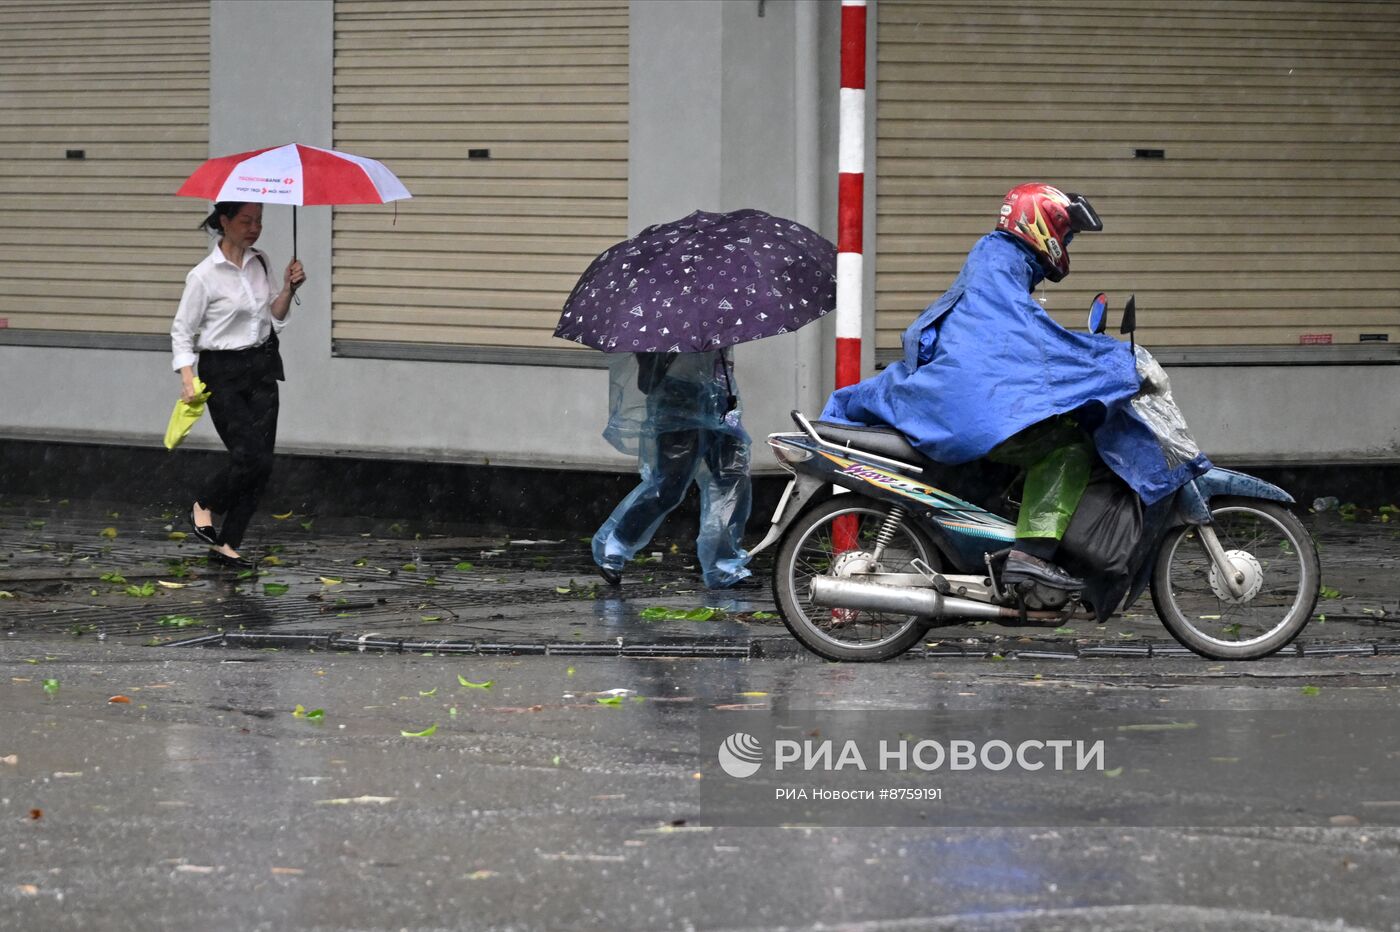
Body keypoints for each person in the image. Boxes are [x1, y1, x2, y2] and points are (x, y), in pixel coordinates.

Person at [822, 183, 1170, 590]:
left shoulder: (1000, 259)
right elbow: (1029, 339)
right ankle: (1030, 556)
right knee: (1067, 449)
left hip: (957, 396)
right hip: (962, 404)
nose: (1065, 242)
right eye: (1065, 233)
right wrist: (1110, 362)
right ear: (1040, 223)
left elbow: (1019, 338)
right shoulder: (1002, 262)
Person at [171, 201, 305, 569]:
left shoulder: (260, 261)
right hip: (222, 371)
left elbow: (273, 317)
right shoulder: (203, 276)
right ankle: (205, 504)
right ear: (224, 221)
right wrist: (187, 378)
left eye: (259, 221)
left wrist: (289, 289)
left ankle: (228, 544)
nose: (254, 228)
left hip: (260, 366)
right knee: (247, 455)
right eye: (246, 220)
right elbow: (182, 332)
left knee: (263, 464)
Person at [592, 349, 754, 589]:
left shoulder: (719, 317)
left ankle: (723, 567)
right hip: (677, 395)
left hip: (719, 397)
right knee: (669, 486)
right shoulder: (669, 321)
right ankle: (616, 544)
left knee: (733, 480)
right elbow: (648, 371)